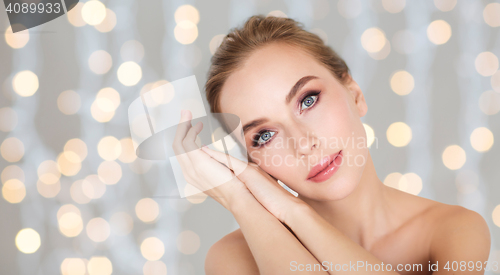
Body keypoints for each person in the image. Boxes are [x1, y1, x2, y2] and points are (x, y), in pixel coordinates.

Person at [172, 15, 491, 274]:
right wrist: (242, 201)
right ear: (253, 161)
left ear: (354, 93)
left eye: (307, 100)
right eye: (264, 136)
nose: (303, 145)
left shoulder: (455, 230)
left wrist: (293, 212)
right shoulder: (233, 260)